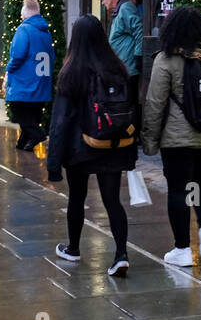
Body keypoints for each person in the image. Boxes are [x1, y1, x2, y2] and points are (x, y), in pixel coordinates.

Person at [46, 14, 135, 278]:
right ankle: (121, 254)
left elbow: (59, 123)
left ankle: (73, 248)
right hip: (114, 145)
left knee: (77, 197)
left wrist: (53, 164)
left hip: (80, 147)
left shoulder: (71, 72)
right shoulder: (118, 69)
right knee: (112, 200)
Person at [141, 5, 201, 267]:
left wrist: (149, 141)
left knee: (179, 190)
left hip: (177, 139)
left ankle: (181, 249)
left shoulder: (166, 60)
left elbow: (155, 103)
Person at [4, 0, 54, 150]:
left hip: (24, 82)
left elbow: (18, 55)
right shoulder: (45, 31)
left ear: (25, 14)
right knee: (32, 116)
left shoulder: (23, 29)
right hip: (41, 82)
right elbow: (52, 56)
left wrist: (8, 70)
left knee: (18, 112)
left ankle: (38, 135)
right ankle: (24, 143)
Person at [102, 0, 143, 114]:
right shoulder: (120, 10)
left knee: (129, 103)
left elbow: (138, 30)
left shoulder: (126, 7)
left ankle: (133, 132)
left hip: (129, 68)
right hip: (123, 68)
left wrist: (138, 54)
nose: (102, 2)